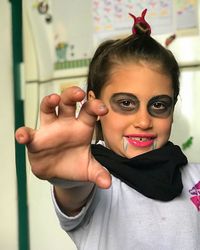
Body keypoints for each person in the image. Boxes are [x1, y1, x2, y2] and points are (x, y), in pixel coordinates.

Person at [15, 9, 200, 250]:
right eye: (126, 103)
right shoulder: (92, 177)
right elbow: (74, 188)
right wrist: (64, 176)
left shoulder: (194, 177)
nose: (143, 121)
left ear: (172, 109)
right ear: (94, 102)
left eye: (158, 104)